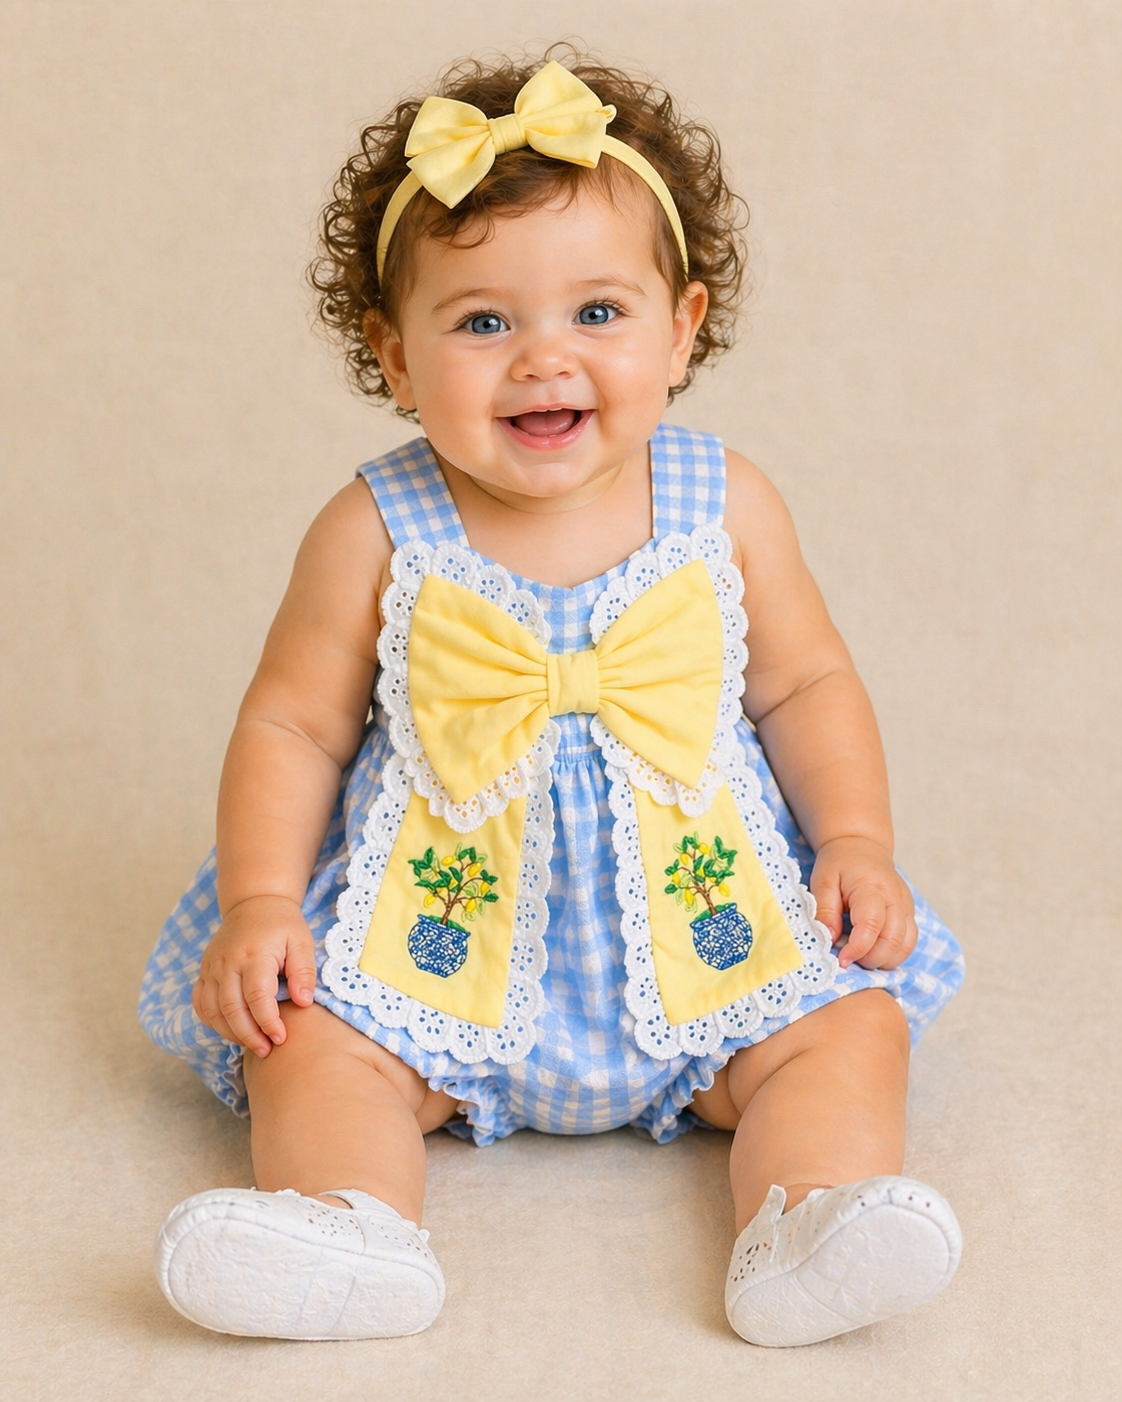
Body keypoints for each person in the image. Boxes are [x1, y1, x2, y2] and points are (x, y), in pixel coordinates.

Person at [139, 49, 965, 1346]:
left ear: (682, 326)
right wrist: (256, 904)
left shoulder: (723, 503)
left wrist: (855, 839)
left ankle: (809, 1213)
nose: (541, 358)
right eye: (479, 321)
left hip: (708, 924)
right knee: (307, 1042)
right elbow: (293, 722)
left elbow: (805, 681)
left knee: (844, 1024)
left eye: (596, 312)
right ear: (392, 355)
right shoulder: (375, 526)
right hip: (435, 938)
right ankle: (348, 1222)